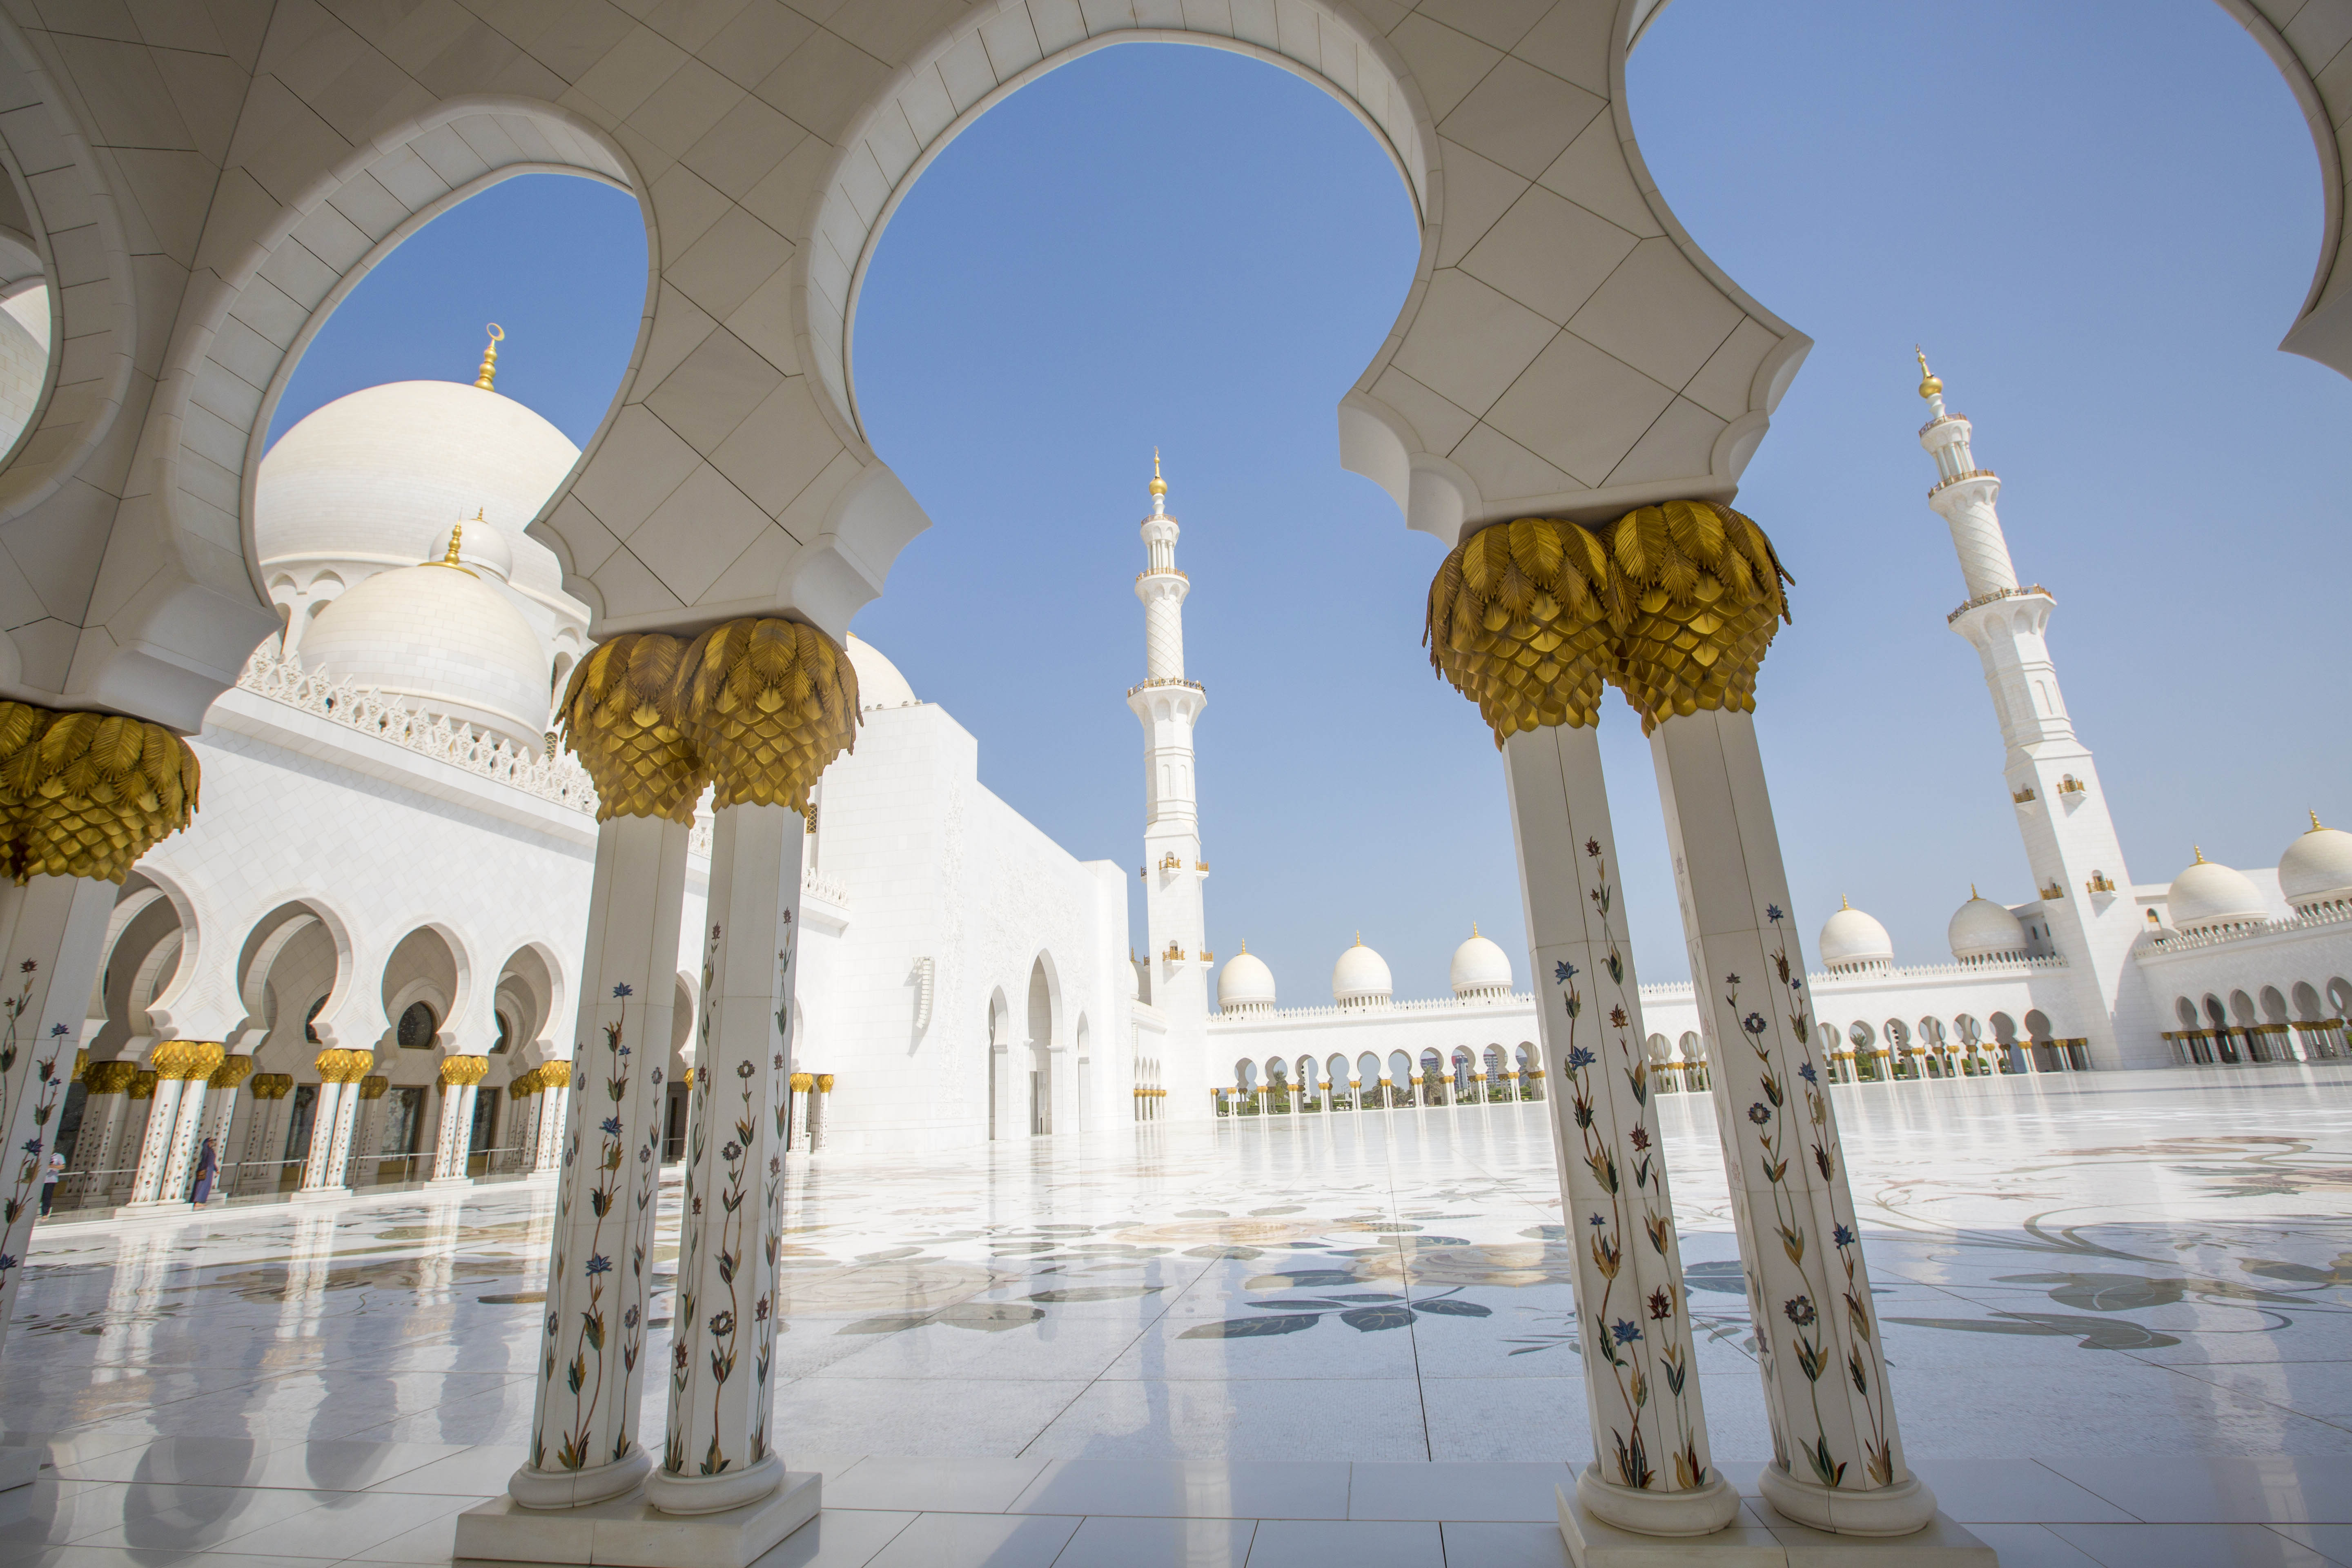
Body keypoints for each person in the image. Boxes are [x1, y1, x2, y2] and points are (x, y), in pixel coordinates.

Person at [191, 1137, 218, 1206]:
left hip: (210, 1171)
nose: (212, 1144)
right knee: (201, 1185)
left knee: (206, 1186)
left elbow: (212, 1162)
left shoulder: (211, 1151)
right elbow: (204, 1160)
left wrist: (216, 1169)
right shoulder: (206, 1150)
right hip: (205, 1170)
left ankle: (201, 1201)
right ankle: (197, 1201)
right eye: (210, 1142)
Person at [38, 1150, 62, 1217]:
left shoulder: (58, 1156)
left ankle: (45, 1213)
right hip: (40, 1179)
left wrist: (54, 1167)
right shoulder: (43, 1155)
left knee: (47, 1196)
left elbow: (62, 1166)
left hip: (50, 1180)